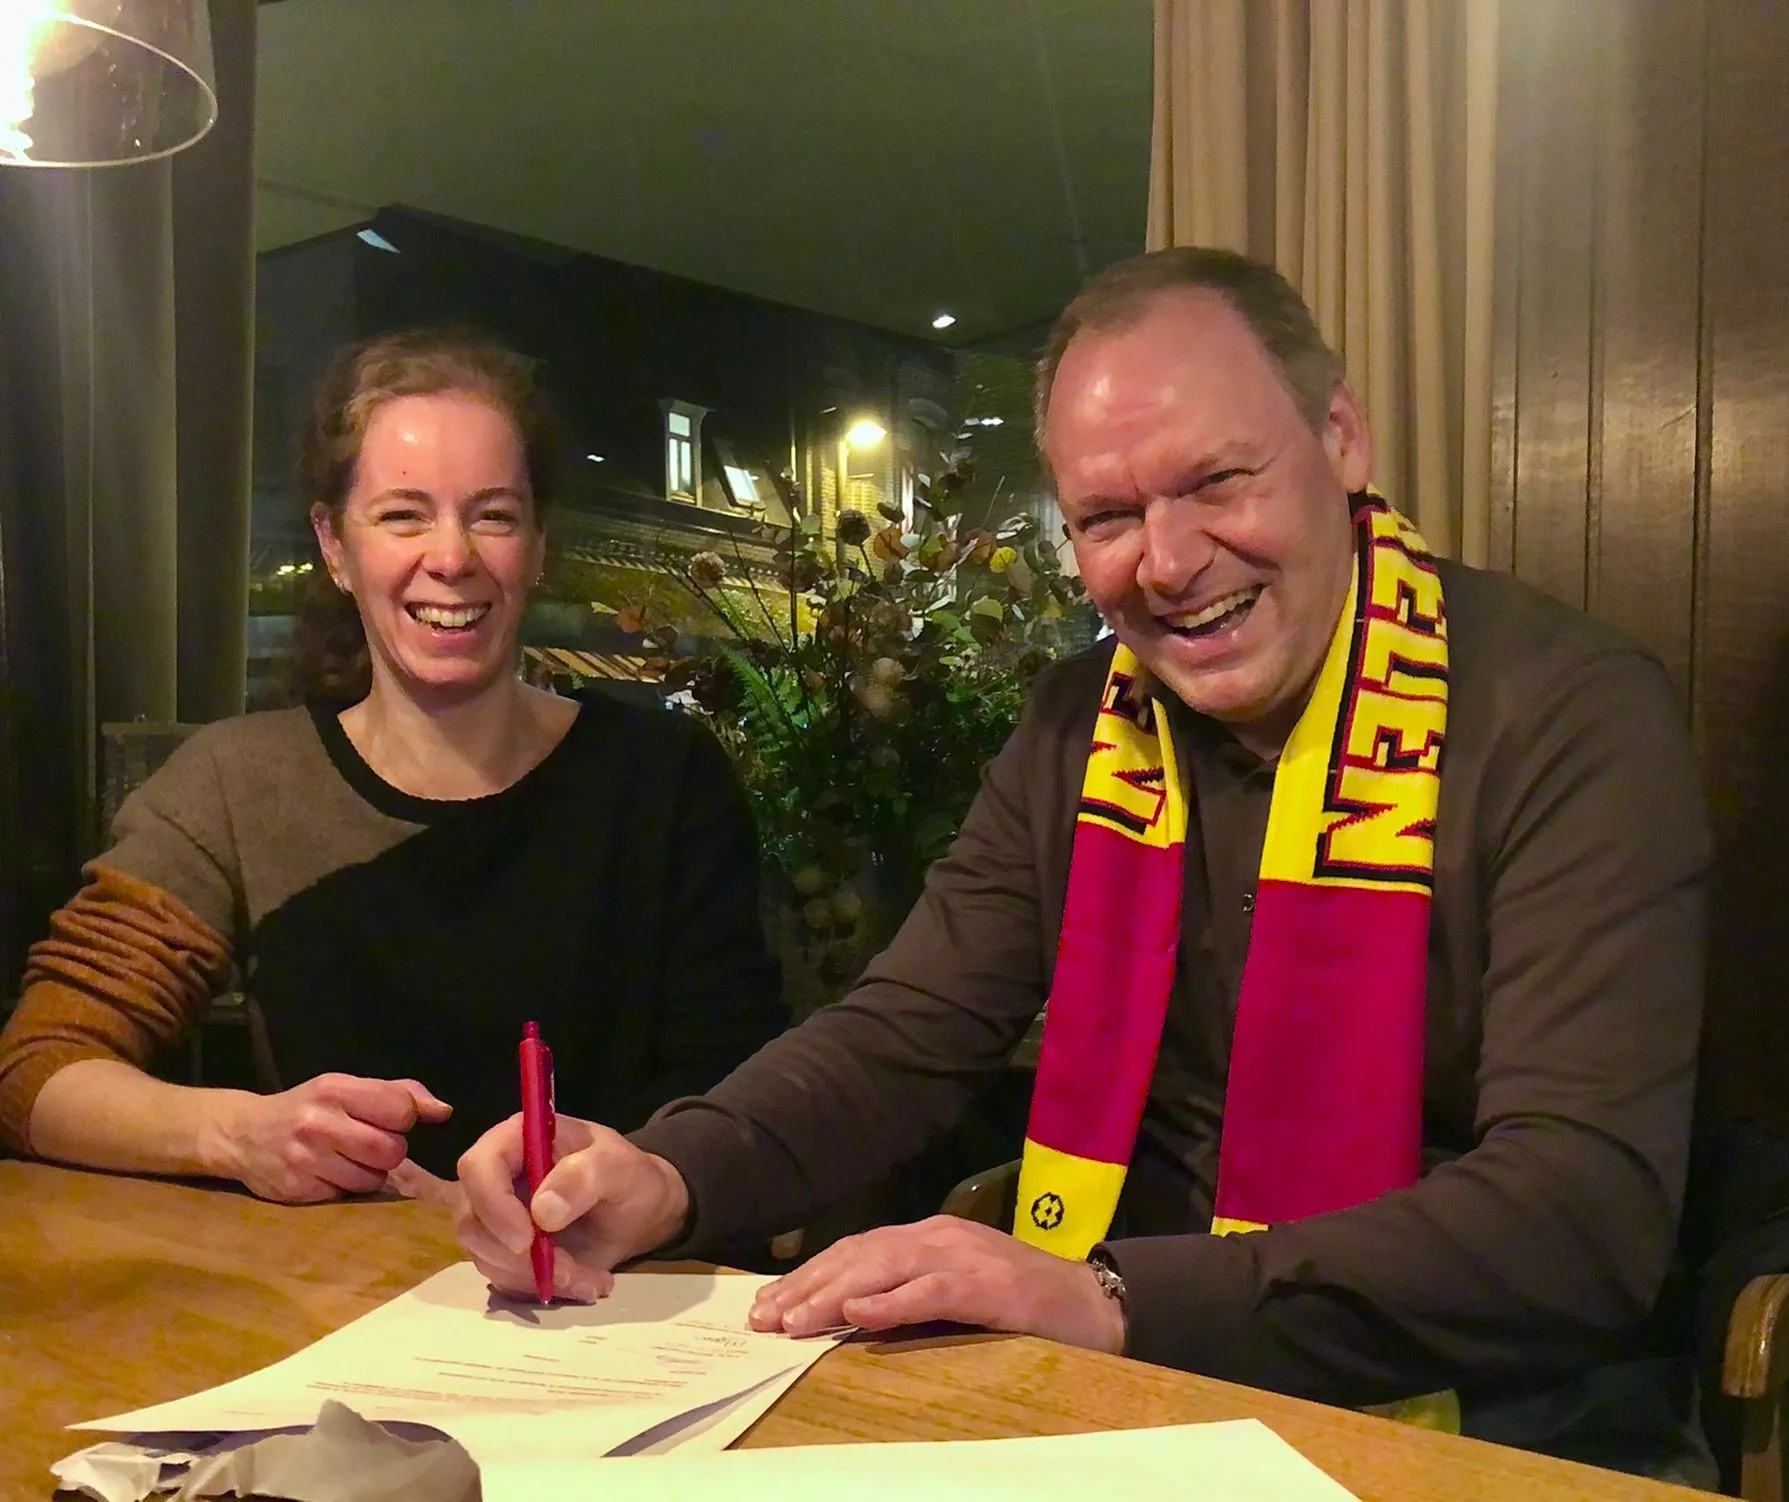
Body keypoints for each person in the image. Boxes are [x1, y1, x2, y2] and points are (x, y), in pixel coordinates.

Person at [449, 251, 1714, 1471]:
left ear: (1339, 437)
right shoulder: (1076, 724)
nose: (1168, 561)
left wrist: (1106, 1296)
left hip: (1492, 1415)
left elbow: (1579, 1212)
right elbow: (904, 1029)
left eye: (1217, 481)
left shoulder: (1566, 715)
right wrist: (667, 1173)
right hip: (1130, 1393)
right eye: (1108, 516)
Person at [0, 329, 784, 1199]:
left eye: (493, 515)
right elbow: (40, 1070)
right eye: (403, 514)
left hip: (605, 1273)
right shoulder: (236, 784)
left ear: (537, 545)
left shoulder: (664, 780)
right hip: (336, 1280)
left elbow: (735, 1113)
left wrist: (586, 1197)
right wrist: (240, 1134)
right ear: (335, 546)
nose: (451, 558)